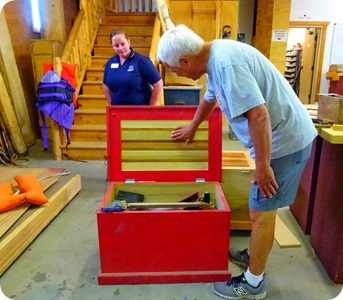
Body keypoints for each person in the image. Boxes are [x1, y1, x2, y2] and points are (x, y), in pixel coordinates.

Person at [157, 24, 317, 299]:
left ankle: (254, 283)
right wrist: (194, 125)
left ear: (185, 60)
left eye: (176, 70)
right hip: (279, 139)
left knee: (260, 212)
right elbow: (210, 97)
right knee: (262, 209)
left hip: (283, 143)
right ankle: (255, 254)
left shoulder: (226, 63)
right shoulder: (215, 57)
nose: (178, 75)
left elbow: (259, 116)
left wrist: (263, 167)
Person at [103, 29, 163, 105]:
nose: (120, 48)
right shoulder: (110, 63)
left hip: (140, 113)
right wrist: (111, 104)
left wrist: (151, 108)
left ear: (128, 42)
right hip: (118, 113)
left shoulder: (142, 61)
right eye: (116, 46)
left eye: (122, 44)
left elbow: (158, 84)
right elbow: (105, 85)